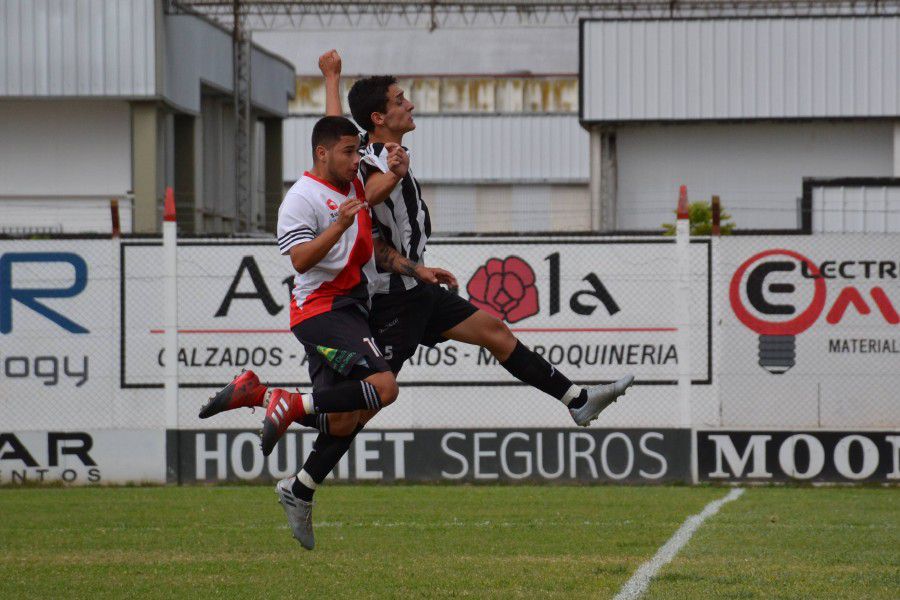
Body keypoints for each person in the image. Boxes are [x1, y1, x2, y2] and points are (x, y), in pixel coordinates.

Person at [322, 49, 634, 428]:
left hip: (417, 288)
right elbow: (365, 194)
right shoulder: (373, 158)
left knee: (496, 333)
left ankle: (578, 401)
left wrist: (332, 77)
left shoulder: (379, 152)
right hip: (393, 299)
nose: (411, 104)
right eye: (400, 100)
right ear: (378, 117)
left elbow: (334, 127)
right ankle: (298, 450)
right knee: (358, 411)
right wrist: (395, 174)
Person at [199, 114, 453, 550]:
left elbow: (338, 125)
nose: (357, 159)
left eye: (358, 151)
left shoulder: (349, 184)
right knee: (384, 388)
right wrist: (337, 225)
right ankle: (288, 402)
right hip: (321, 310)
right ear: (322, 153)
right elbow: (299, 261)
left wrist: (415, 263)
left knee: (342, 420)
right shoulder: (301, 200)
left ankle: (265, 414)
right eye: (349, 152)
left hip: (350, 308)